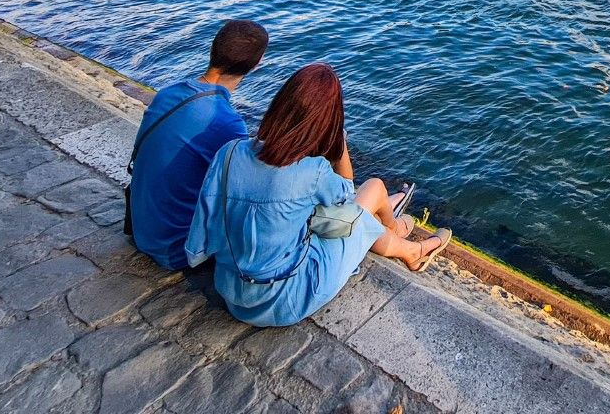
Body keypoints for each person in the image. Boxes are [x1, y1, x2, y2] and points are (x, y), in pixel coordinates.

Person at [185, 63, 449, 327]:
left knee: (348, 211)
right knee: (361, 217)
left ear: (279, 105)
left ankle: (401, 234)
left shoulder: (229, 153)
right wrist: (339, 145)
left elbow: (199, 241)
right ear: (327, 121)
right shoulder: (313, 171)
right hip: (285, 299)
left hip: (232, 292)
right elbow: (347, 197)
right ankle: (411, 249)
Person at [127, 20, 268, 270]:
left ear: (213, 49)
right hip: (177, 249)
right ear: (257, 64)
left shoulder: (168, 92)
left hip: (141, 230)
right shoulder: (227, 123)